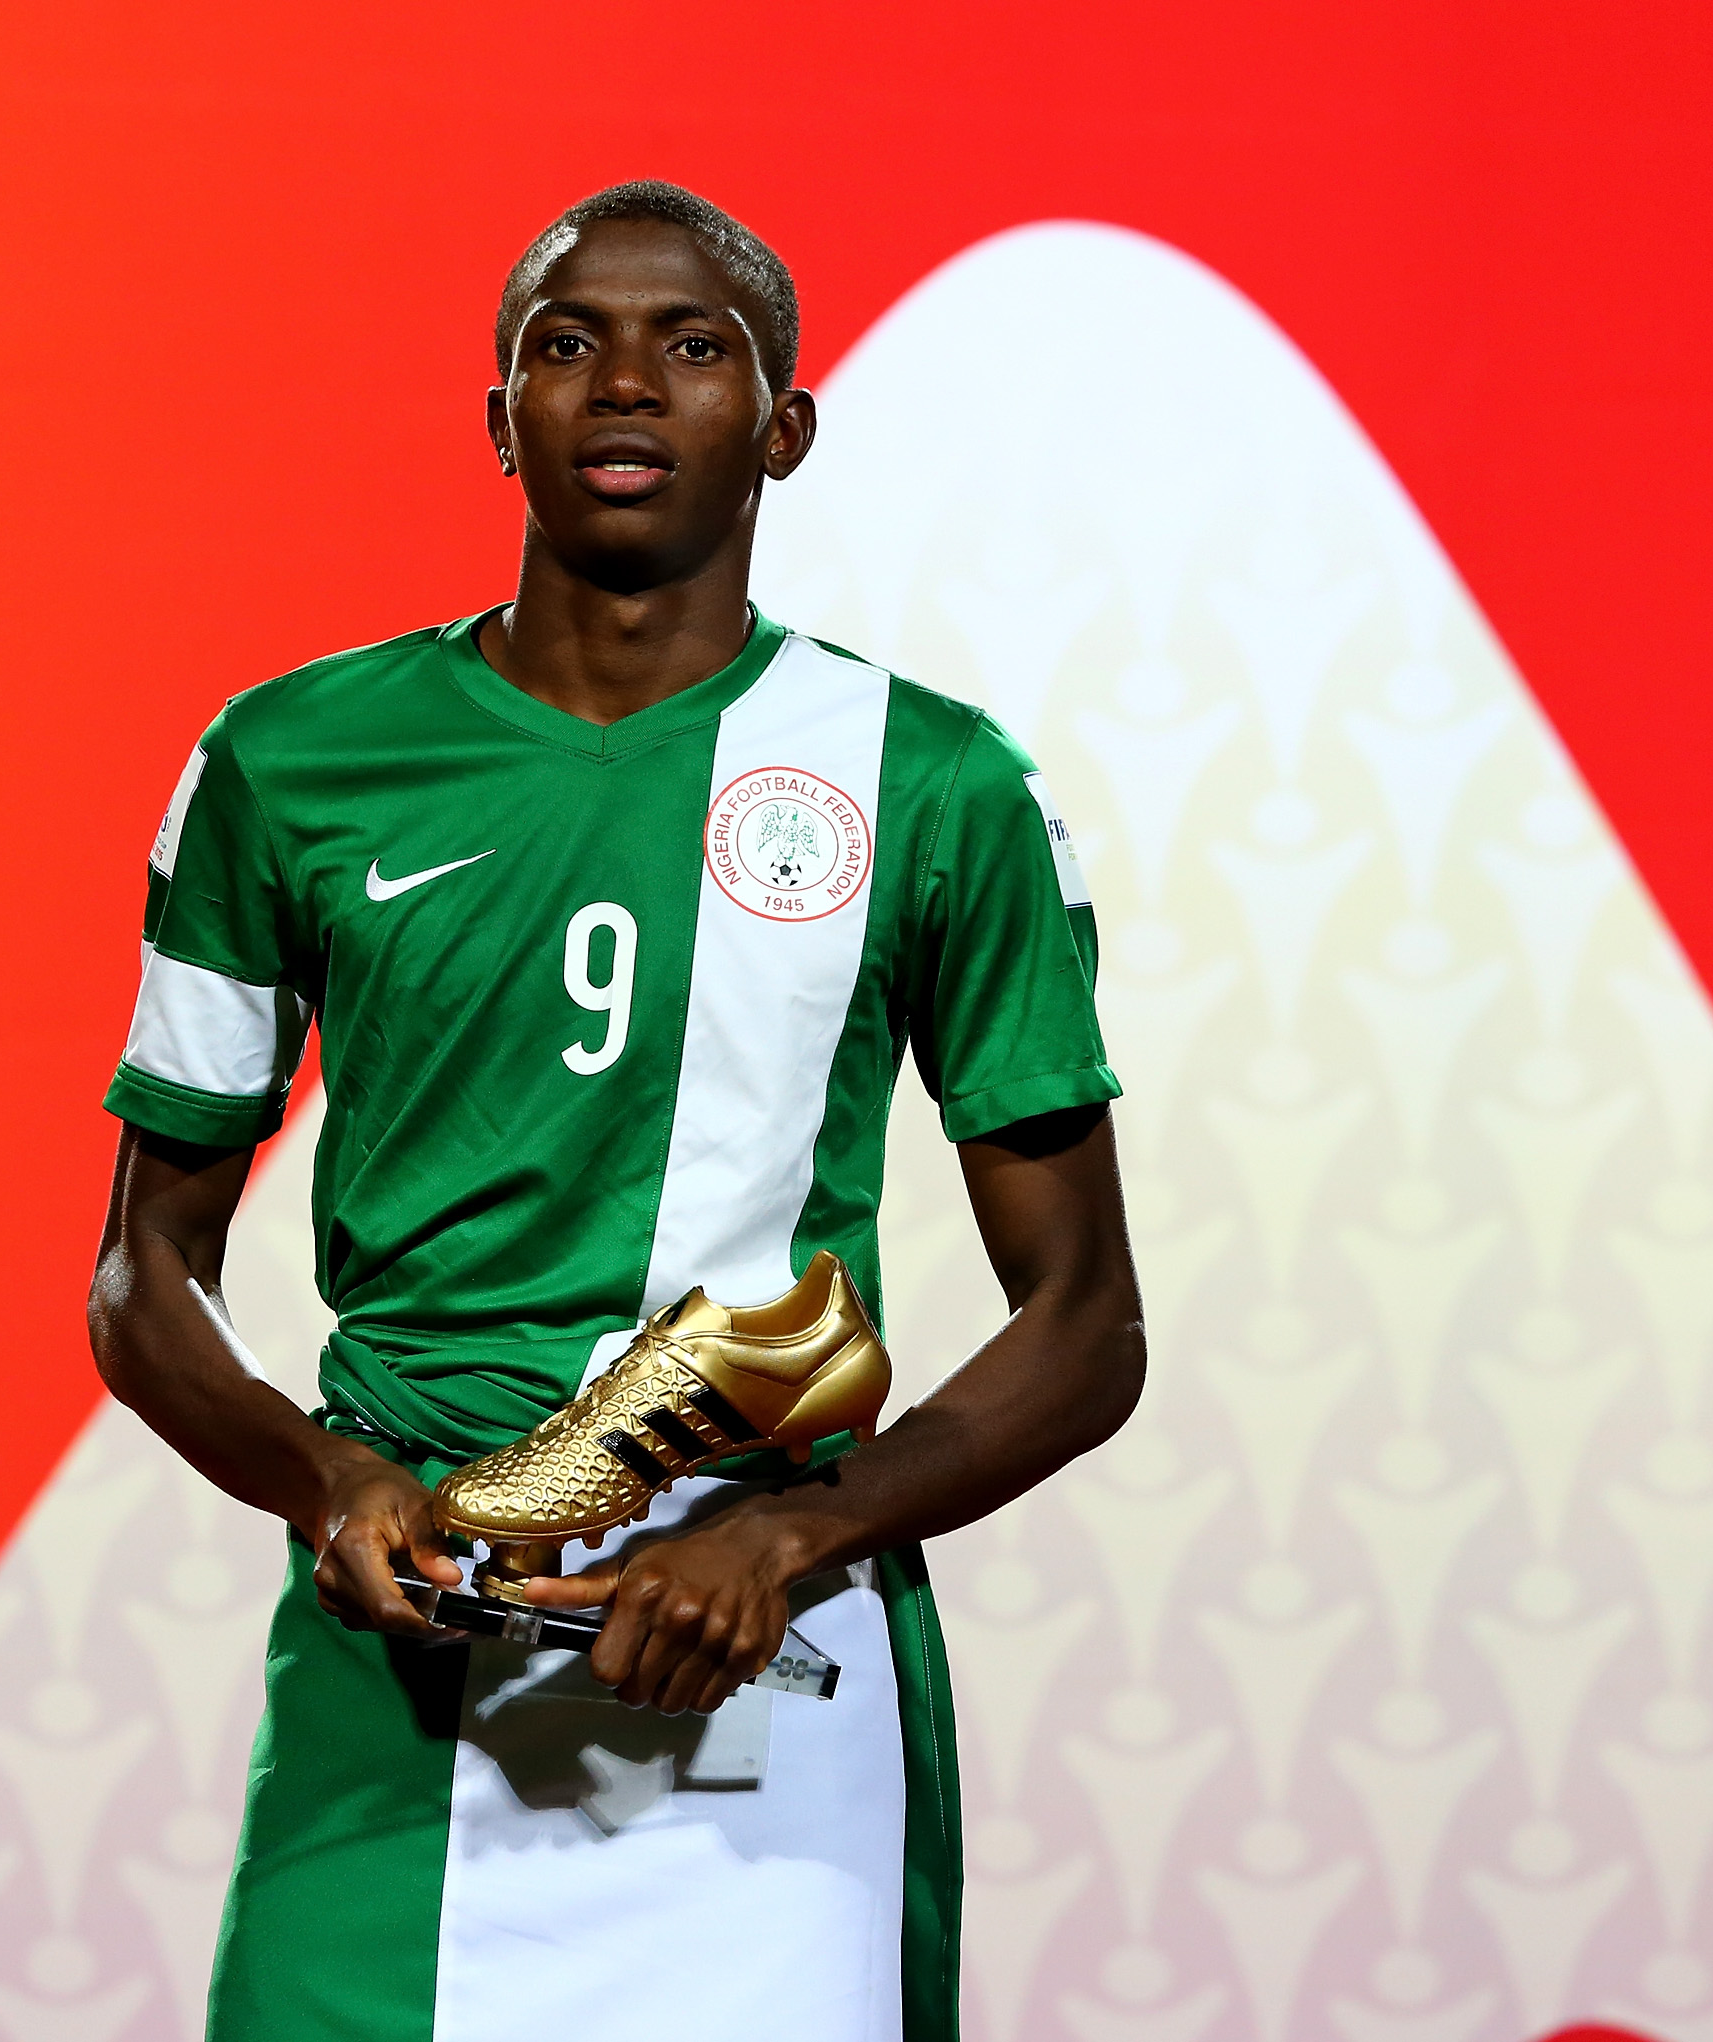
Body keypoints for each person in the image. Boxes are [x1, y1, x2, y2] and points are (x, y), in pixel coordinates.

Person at [87, 179, 1145, 2042]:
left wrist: (785, 1536)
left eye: (693, 345)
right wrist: (325, 1474)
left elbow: (1087, 1326)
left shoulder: (937, 784)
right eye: (565, 346)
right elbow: (139, 1274)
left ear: (785, 426)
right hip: (400, 1708)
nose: (625, 384)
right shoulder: (283, 763)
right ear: (501, 423)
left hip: (764, 1664)